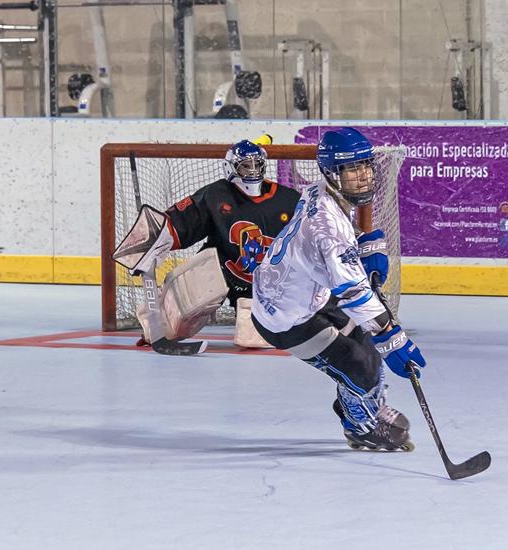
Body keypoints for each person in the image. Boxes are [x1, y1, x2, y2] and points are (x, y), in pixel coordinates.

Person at [251, 128, 425, 451]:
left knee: (368, 348)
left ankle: (363, 400)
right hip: (284, 317)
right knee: (363, 364)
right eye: (352, 169)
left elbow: (335, 256)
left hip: (301, 292)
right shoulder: (328, 231)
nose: (363, 176)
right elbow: (354, 292)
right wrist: (394, 337)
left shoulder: (321, 192)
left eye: (365, 166)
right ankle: (358, 424)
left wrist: (361, 246)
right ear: (332, 173)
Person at [113, 135, 300, 348]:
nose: (252, 171)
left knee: (252, 339)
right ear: (231, 168)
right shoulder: (216, 194)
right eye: (245, 165)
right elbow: (181, 221)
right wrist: (152, 239)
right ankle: (156, 315)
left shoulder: (289, 199)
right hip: (221, 269)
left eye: (257, 165)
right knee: (172, 326)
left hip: (267, 283)